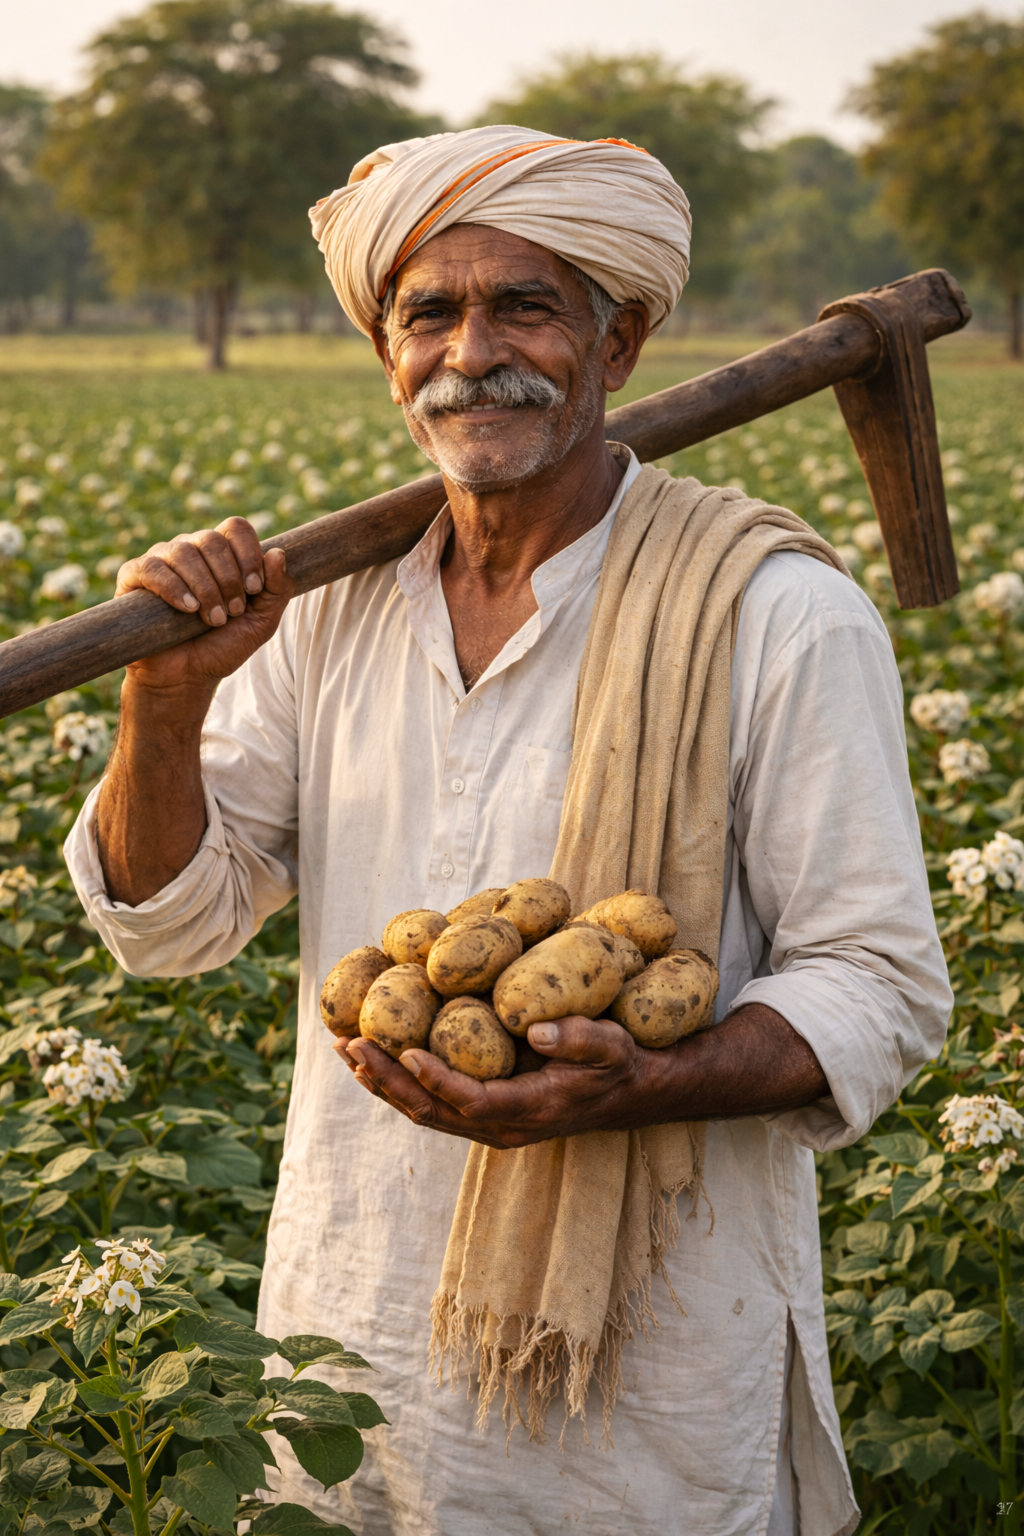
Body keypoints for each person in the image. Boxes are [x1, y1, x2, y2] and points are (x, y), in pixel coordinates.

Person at [65, 126, 951, 1536]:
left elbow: (882, 984)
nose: (475, 351)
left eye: (527, 304)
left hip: (643, 1382)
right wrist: (163, 707)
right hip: (345, 1359)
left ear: (623, 340)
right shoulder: (323, 616)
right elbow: (172, 925)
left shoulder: (776, 617)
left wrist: (637, 1082)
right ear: (388, 353)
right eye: (431, 313)